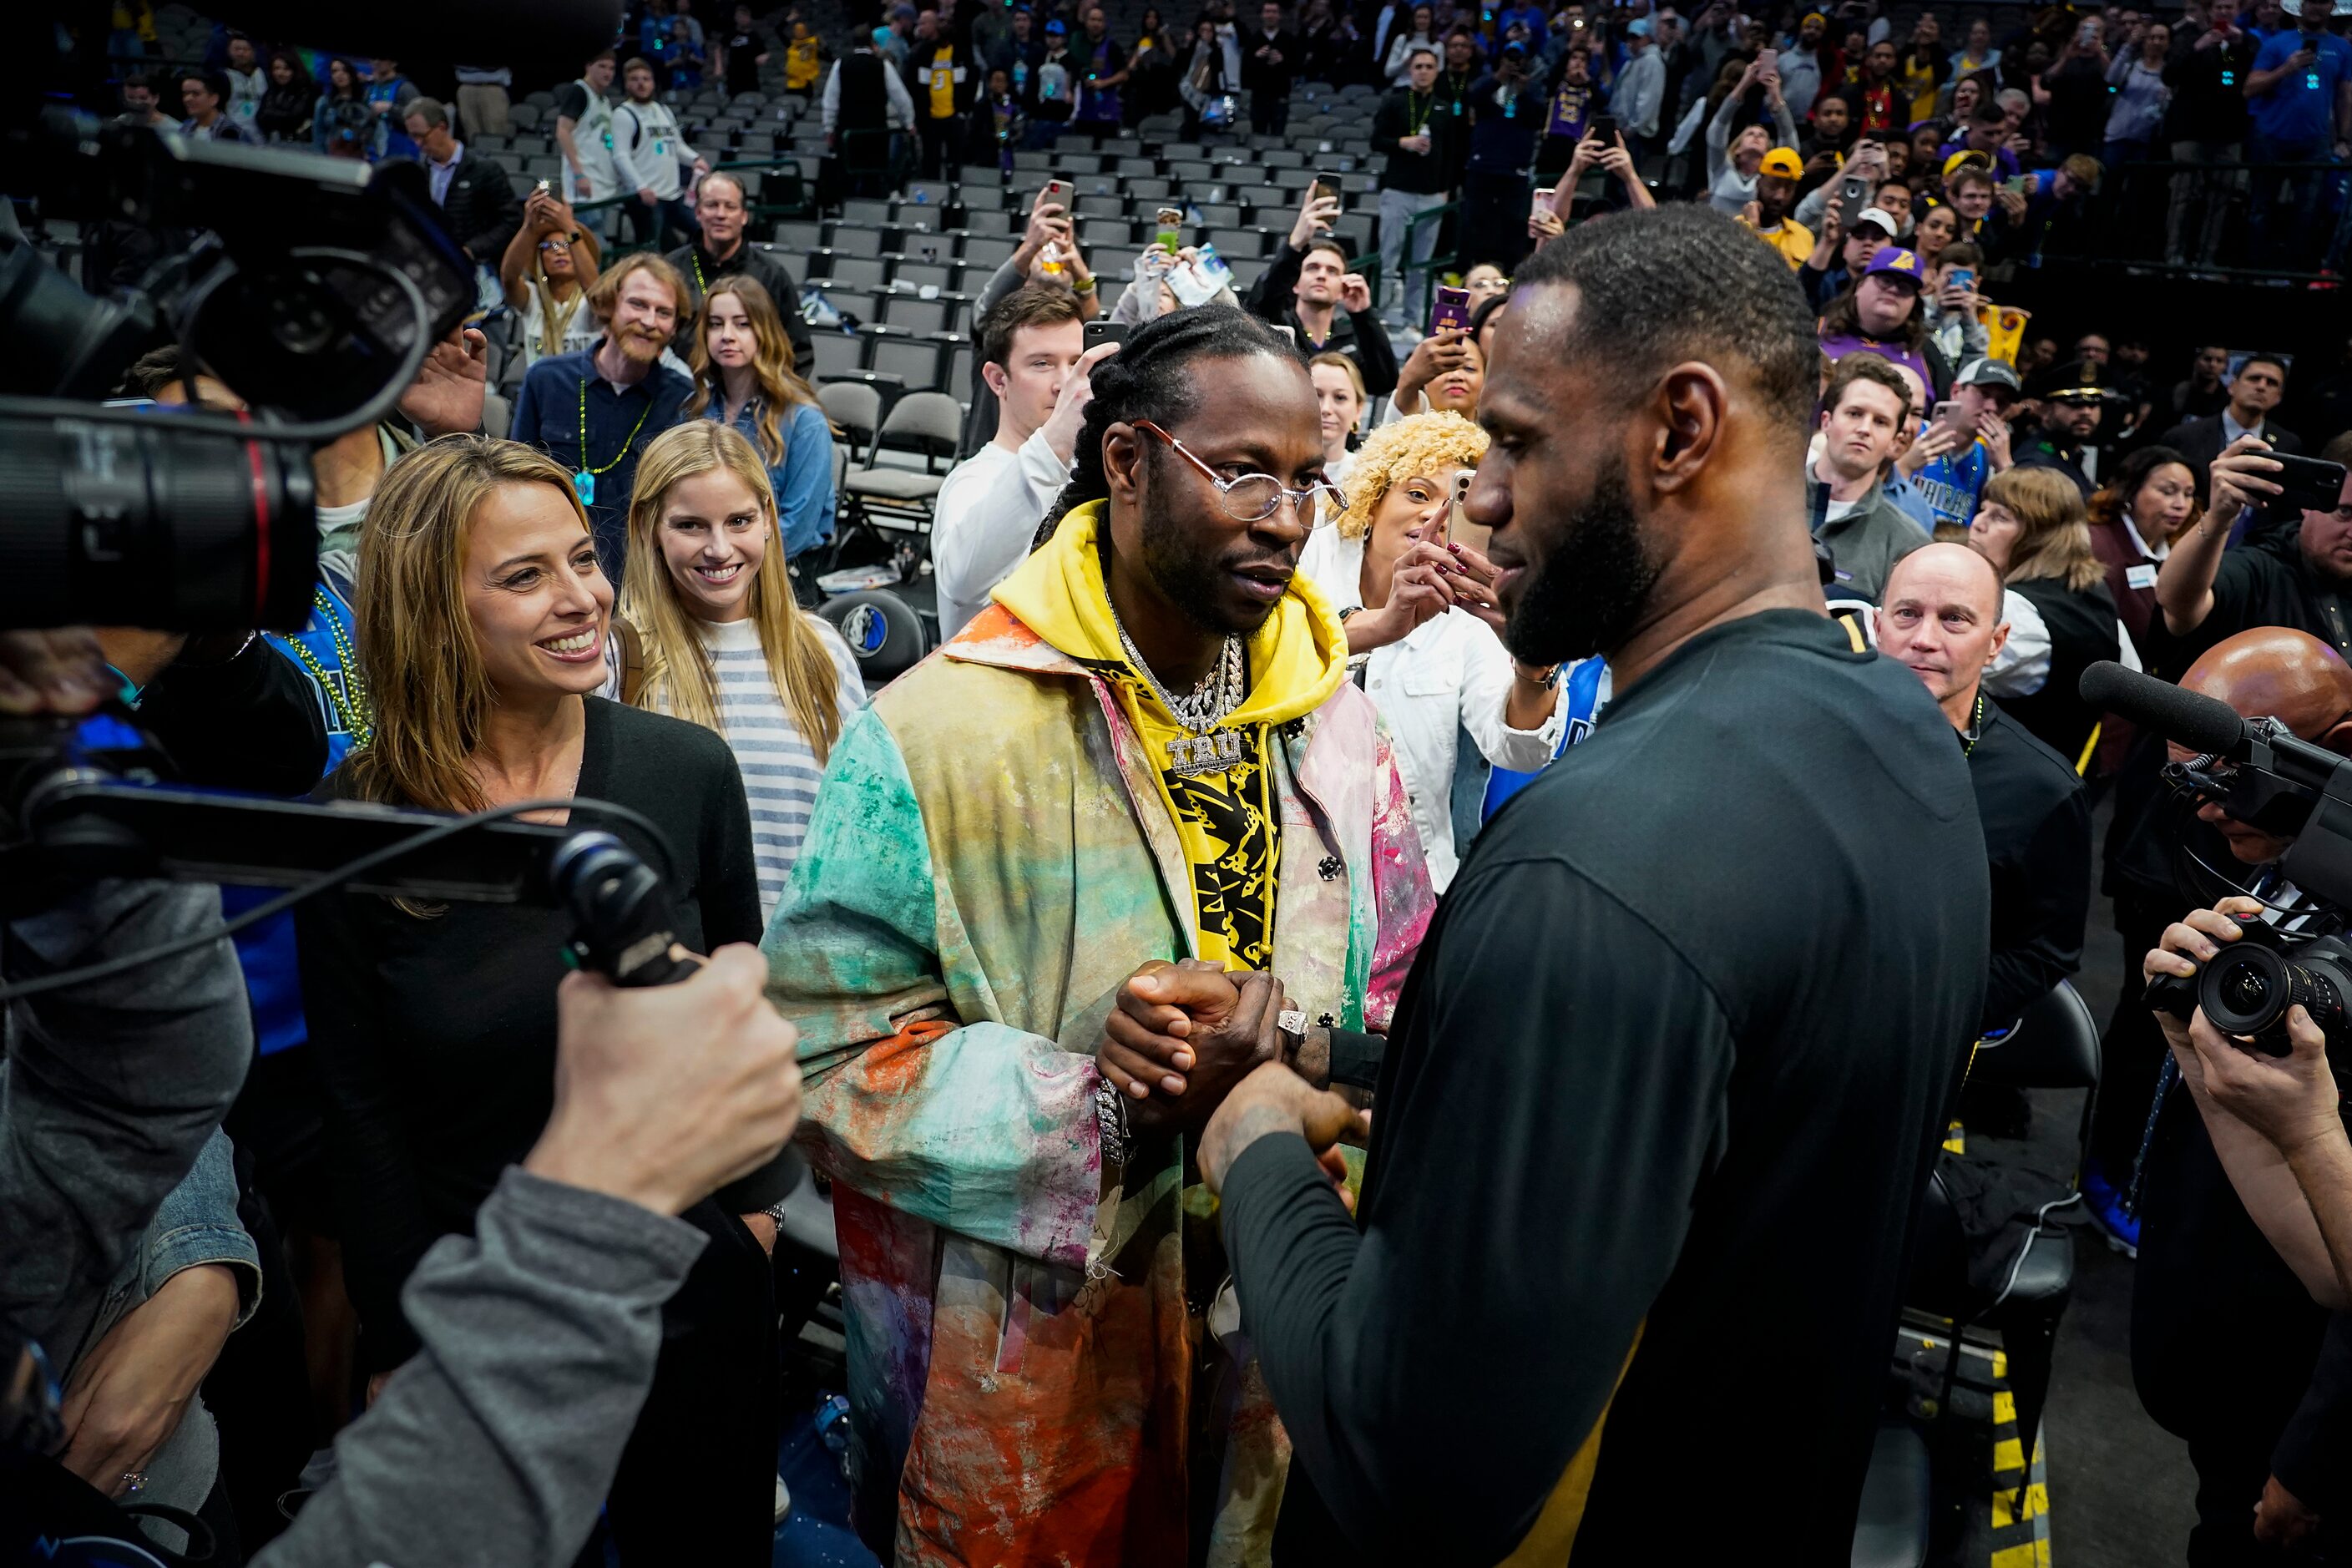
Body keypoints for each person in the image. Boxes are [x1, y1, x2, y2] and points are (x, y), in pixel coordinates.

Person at [1192, 204, 1987, 1563]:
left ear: (1679, 430)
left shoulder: (1590, 861)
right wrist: (1343, 1051)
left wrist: (1256, 1137)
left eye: (1510, 440)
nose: (1479, 496)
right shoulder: (1902, 733)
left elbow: (1411, 1470)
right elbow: (1709, 1102)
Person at [762, 305, 1435, 1565]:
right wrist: (1100, 1105)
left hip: (1280, 1315)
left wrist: (1298, 1057)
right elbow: (819, 1051)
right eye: (1241, 470)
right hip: (1030, 1358)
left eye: (1306, 479)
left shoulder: (1342, 734)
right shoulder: (939, 731)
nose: (1285, 516)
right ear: (1125, 462)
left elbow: (1405, 1013)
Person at [296, 436, 776, 1564]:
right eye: (525, 576)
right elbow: (359, 1115)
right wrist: (407, 1340)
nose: (582, 600)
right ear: (429, 609)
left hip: (689, 1297)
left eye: (582, 558)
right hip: (477, 1319)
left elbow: (745, 1011)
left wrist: (749, 1229)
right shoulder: (356, 825)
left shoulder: (685, 771)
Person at [2127, 626, 2352, 1565]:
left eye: (2231, 780)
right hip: (2227, 1365)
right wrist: (2191, 1048)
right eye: (2189, 783)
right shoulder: (2294, 875)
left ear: (2336, 749)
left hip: (2295, 1409)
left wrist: (2317, 1460)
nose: (2209, 811)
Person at [1298, 411, 1565, 888]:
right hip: (1294, 871)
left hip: (1414, 880)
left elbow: (1516, 749)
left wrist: (1532, 657)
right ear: (1373, 499)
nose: (1432, 515)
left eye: (1456, 502)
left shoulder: (1469, 618)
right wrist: (1379, 625)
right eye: (1418, 493)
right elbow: (1267, 644)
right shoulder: (1309, 554)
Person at [617, 422, 862, 914]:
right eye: (690, 525)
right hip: (686, 968)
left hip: (803, 968)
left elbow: (857, 824)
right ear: (649, 527)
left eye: (739, 521)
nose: (719, 549)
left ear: (768, 519)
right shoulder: (621, 657)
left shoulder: (821, 651)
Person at [1878, 541, 2089, 1034]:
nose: (1925, 638)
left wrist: (1924, 1016)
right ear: (1877, 627)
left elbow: (2044, 952)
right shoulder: (1812, 738)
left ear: (1996, 642)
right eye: (1907, 614)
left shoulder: (2041, 789)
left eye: (1954, 620)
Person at [932, 285, 1110, 636]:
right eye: (1042, 364)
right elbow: (962, 582)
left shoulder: (1092, 475)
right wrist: (1057, 438)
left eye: (1076, 363)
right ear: (998, 380)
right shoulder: (972, 482)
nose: (1065, 382)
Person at [509, 252, 694, 577]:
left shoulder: (683, 400)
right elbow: (516, 483)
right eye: (638, 304)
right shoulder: (546, 380)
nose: (650, 321)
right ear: (609, 305)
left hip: (642, 575)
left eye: (663, 312)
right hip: (553, 566)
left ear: (673, 327)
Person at [2154, 430, 2352, 670]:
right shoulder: (2261, 566)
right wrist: (2219, 517)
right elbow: (2177, 605)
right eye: (2345, 513)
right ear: (2309, 504)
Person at [1970, 465, 2127, 767]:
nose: (1977, 523)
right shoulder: (2093, 593)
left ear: (2040, 537)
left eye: (2000, 517)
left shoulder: (2017, 613)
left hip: (2000, 781)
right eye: (1983, 509)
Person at [684, 275, 836, 571]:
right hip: (704, 568)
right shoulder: (694, 408)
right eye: (716, 324)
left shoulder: (804, 421)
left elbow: (798, 527)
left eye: (742, 324)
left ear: (764, 332)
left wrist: (728, 561)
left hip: (779, 573)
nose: (727, 335)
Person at [1244, 192, 1399, 394]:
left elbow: (1384, 381)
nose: (1322, 275)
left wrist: (1364, 314)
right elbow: (1253, 314)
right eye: (1312, 268)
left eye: (1332, 271)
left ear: (1343, 289)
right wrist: (1295, 247)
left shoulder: (1351, 338)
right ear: (1295, 284)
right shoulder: (1277, 325)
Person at [664, 171, 812, 368]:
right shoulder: (670, 269)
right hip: (681, 391)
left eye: (730, 207)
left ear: (743, 216)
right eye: (712, 205)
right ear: (698, 213)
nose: (721, 214)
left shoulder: (771, 274)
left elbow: (798, 350)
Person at [2243, 0, 2352, 263]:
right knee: (2261, 208)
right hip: (2270, 136)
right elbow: (2249, 89)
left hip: (2315, 140)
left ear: (2332, 7)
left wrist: (2344, 138)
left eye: (2324, 2)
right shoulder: (2277, 43)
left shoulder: (2343, 47)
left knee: (2308, 211)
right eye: (2312, 1)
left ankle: (2294, 274)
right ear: (2300, 6)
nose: (2317, 7)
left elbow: (2344, 96)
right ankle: (2257, 271)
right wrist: (2285, 69)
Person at [1810, 352, 1925, 598]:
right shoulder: (1762, 506)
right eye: (1855, 414)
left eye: (1881, 422)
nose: (1864, 429)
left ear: (1894, 440)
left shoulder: (1907, 544)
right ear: (1827, 421)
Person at [2166, 0, 2257, 266]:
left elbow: (2257, 77)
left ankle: (2206, 259)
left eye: (2230, 7)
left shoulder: (2248, 42)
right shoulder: (2189, 38)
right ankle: (2174, 258)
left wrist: (2239, 46)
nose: (2224, 12)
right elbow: (2169, 75)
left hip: (2228, 132)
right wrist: (2199, 48)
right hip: (2189, 130)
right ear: (2209, 11)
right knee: (2183, 196)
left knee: (2220, 199)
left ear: (2238, 11)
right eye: (2219, 7)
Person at [2086, 443, 2200, 657]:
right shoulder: (2095, 544)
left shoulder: (2183, 549)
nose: (2181, 504)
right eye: (2168, 492)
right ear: (2130, 490)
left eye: (2188, 494)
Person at [1376, 46, 1457, 313]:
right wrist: (1403, 142)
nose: (1423, 72)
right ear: (1410, 70)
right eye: (1418, 66)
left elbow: (1451, 154)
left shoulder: (1444, 108)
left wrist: (1445, 190)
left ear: (1437, 71)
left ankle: (1414, 318)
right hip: (1397, 190)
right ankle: (1380, 313)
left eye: (1429, 67)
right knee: (1389, 258)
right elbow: (1376, 141)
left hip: (1432, 194)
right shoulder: (1394, 101)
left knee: (1421, 264)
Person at [2162, 352, 2302, 504]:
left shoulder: (2289, 444)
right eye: (2254, 378)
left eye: (2271, 383)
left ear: (2279, 397)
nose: (2262, 386)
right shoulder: (2184, 436)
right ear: (2232, 386)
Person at [1905, 355, 2018, 533]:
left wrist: (2005, 467)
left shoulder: (1989, 462)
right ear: (1956, 391)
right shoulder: (1912, 433)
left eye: (2001, 402)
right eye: (1984, 394)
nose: (1992, 408)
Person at [404, 98, 523, 266]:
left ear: (442, 128)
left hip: (479, 266)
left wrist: (473, 250)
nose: (418, 144)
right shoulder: (418, 174)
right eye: (412, 137)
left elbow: (511, 221)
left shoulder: (485, 169)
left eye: (422, 136)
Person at [1817, 245, 1945, 397]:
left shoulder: (1926, 351)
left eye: (1905, 287)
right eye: (1885, 281)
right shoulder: (1816, 330)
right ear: (1860, 286)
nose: (1894, 290)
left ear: (1914, 302)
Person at [501, 188, 604, 372]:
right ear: (540, 258)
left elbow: (596, 292)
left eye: (567, 245)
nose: (560, 250)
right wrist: (529, 227)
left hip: (584, 393)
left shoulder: (590, 302)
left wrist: (569, 226)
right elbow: (509, 278)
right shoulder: (532, 298)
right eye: (550, 246)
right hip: (541, 394)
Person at [614, 57, 707, 252]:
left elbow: (678, 146)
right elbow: (620, 156)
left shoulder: (663, 110)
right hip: (648, 198)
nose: (641, 83)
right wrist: (641, 187)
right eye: (635, 79)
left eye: (646, 79)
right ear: (627, 84)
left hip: (673, 195)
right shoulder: (623, 114)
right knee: (654, 251)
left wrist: (695, 159)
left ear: (653, 82)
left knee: (702, 231)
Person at [1704, 57, 1800, 214]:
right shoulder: (1720, 168)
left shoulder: (1768, 178)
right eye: (1750, 134)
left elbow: (1790, 149)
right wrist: (1743, 84)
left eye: (1762, 136)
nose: (1756, 136)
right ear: (1737, 149)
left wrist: (1775, 96)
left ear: (1768, 153)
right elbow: (1717, 130)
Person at [2013, 363, 2108, 495]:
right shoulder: (2036, 463)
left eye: (2093, 404)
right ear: (2045, 409)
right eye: (2074, 403)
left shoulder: (2070, 455)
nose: (2086, 412)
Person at [554, 50, 623, 232]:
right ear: (588, 67)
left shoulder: (605, 101)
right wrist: (579, 174)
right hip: (584, 185)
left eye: (611, 68)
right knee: (589, 244)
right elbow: (563, 132)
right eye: (602, 66)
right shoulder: (578, 92)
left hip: (602, 183)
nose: (607, 72)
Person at [1737, 145, 1815, 266]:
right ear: (1758, 183)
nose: (1780, 196)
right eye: (1773, 186)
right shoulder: (1734, 227)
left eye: (1788, 189)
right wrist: (1751, 226)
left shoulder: (1803, 236)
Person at [1310, 349, 1369, 488]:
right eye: (1316, 395)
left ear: (1358, 409)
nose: (1326, 409)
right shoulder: (1271, 469)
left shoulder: (1367, 476)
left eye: (1340, 397)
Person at [1242, 0, 1300, 134]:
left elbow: (1296, 68)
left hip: (1280, 95)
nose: (1270, 15)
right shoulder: (1254, 39)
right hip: (1259, 96)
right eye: (1267, 12)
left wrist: (1282, 60)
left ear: (1279, 15)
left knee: (1278, 134)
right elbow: (1245, 69)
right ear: (1262, 15)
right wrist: (1256, 57)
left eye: (1274, 12)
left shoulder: (1288, 39)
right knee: (1257, 133)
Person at [313, 58, 377, 159]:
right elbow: (318, 133)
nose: (340, 75)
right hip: (330, 156)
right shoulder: (324, 102)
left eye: (344, 70)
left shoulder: (365, 100)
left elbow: (373, 130)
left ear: (351, 73)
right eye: (335, 71)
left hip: (359, 156)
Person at [176, 68, 260, 143]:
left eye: (196, 94)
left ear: (214, 99)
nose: (188, 99)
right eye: (185, 94)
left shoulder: (232, 133)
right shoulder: (185, 129)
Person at [716, 2, 771, 97]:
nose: (742, 19)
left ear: (749, 18)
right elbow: (718, 49)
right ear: (735, 18)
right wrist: (718, 66)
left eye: (745, 16)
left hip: (750, 76)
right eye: (739, 16)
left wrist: (765, 56)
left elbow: (766, 52)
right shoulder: (730, 34)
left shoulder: (755, 36)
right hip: (733, 76)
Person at [255, 50, 311, 142]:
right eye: (276, 68)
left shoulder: (304, 92)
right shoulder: (271, 91)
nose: (280, 73)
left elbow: (294, 119)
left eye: (286, 69)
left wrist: (272, 115)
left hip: (297, 144)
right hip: (271, 142)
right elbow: (261, 117)